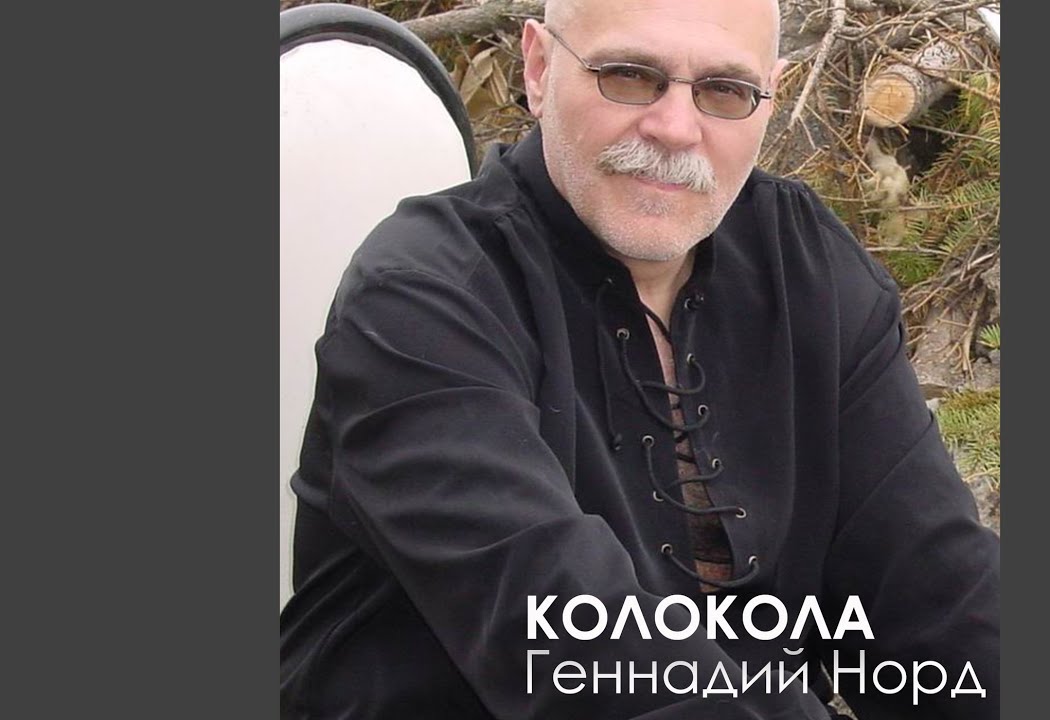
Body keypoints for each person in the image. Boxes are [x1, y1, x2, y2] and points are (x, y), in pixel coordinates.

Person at [280, 0, 1000, 718]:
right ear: (538, 68)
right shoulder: (423, 296)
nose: (676, 128)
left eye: (725, 90)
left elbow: (934, 589)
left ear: (771, 95)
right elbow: (576, 643)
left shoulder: (805, 265)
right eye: (628, 75)